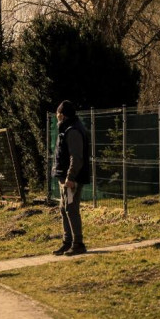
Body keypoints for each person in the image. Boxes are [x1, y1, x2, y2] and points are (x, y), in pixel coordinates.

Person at [52, 100, 91, 256]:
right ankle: (67, 243)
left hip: (72, 179)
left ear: (62, 114)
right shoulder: (67, 128)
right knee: (64, 209)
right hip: (67, 177)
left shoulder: (73, 131)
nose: (56, 117)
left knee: (71, 209)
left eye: (58, 114)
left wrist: (70, 177)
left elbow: (76, 157)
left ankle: (78, 243)